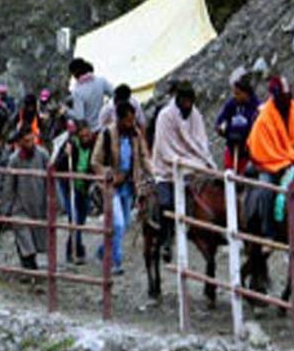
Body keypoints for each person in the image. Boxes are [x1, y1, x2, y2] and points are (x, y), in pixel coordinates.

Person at [151, 81, 216, 260]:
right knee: (166, 202)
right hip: (167, 167)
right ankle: (166, 239)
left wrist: (201, 160)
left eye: (190, 101)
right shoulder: (165, 116)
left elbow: (200, 141)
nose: (188, 104)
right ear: (178, 99)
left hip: (192, 163)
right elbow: (164, 148)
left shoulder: (195, 115)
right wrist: (181, 162)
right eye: (185, 100)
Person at [92, 102, 153, 274]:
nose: (131, 123)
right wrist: (109, 173)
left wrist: (154, 173)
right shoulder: (106, 134)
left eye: (132, 120)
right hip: (111, 186)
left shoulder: (135, 135)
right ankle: (115, 262)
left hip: (128, 185)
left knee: (124, 224)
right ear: (119, 119)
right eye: (127, 120)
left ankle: (104, 250)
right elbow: (95, 161)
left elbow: (144, 156)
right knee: (117, 224)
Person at [246, 76, 294, 184]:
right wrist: (285, 162)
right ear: (275, 97)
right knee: (265, 188)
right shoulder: (263, 119)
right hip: (272, 164)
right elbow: (262, 150)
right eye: (283, 96)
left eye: (288, 95)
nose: (286, 99)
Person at [0, 127, 51, 270]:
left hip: (38, 203)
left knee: (37, 239)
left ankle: (30, 264)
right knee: (24, 238)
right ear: (20, 142)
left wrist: (54, 203)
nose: (30, 143)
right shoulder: (14, 160)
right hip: (20, 206)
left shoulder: (42, 155)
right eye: (26, 141)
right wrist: (6, 209)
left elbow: (51, 180)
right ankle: (29, 267)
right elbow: (9, 186)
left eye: (31, 140)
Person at [53, 119, 96, 264]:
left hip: (83, 186)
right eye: (82, 136)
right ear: (77, 135)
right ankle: (77, 249)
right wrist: (66, 155)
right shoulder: (70, 145)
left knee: (81, 219)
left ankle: (72, 245)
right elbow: (58, 165)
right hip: (69, 186)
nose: (85, 139)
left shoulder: (94, 146)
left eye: (87, 136)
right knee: (74, 218)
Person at [214, 76, 260, 174]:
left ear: (245, 93)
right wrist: (226, 131)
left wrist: (242, 133)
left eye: (238, 93)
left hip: (248, 152)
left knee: (245, 178)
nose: (235, 96)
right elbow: (219, 123)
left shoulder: (256, 107)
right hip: (232, 150)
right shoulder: (231, 104)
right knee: (229, 178)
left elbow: (256, 128)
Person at [68, 58, 113, 127]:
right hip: (106, 124)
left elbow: (80, 116)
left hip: (92, 130)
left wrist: (66, 111)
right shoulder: (101, 80)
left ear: (74, 74)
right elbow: (115, 95)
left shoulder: (77, 91)